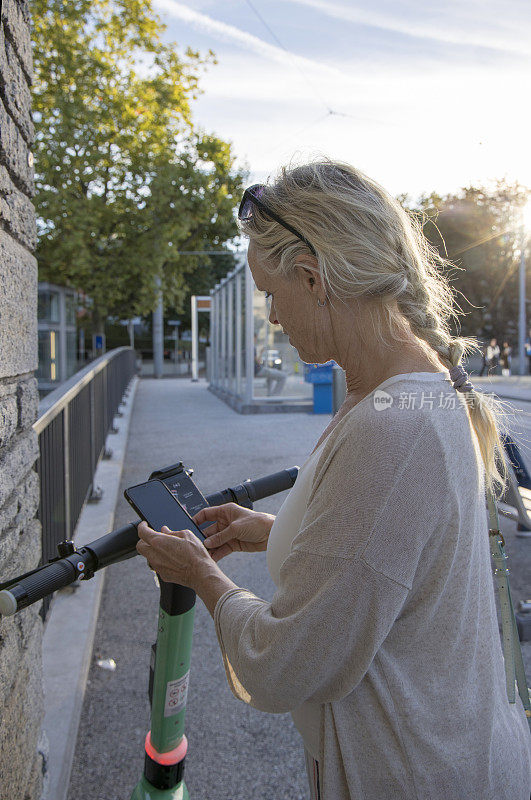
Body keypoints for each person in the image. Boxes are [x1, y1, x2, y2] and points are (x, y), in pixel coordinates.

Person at [136, 160, 531, 799]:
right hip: (455, 751)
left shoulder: (392, 430)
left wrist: (202, 576)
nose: (270, 315)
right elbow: (394, 549)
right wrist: (272, 530)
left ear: (315, 279)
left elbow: (286, 665)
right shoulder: (412, 392)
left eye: (272, 292)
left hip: (417, 776)